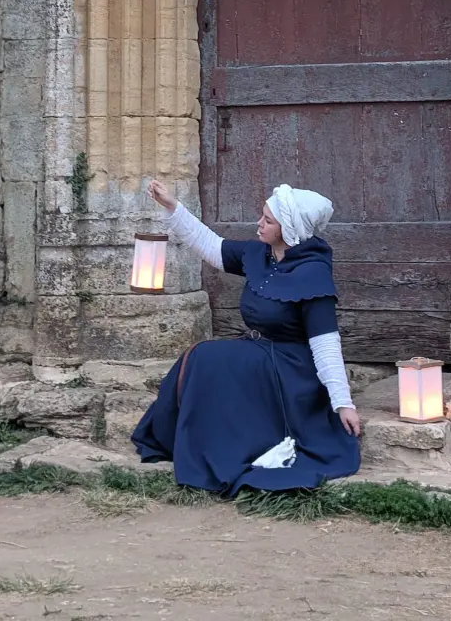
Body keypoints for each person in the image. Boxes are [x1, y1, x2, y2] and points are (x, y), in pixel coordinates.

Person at [131, 180, 361, 496]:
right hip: (257, 353)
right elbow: (211, 246)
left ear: (289, 228)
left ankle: (217, 450)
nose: (259, 223)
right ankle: (185, 441)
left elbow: (325, 345)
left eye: (268, 220)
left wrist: (342, 403)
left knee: (209, 357)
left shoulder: (313, 274)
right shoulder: (261, 254)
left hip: (291, 369)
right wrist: (172, 206)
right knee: (201, 356)